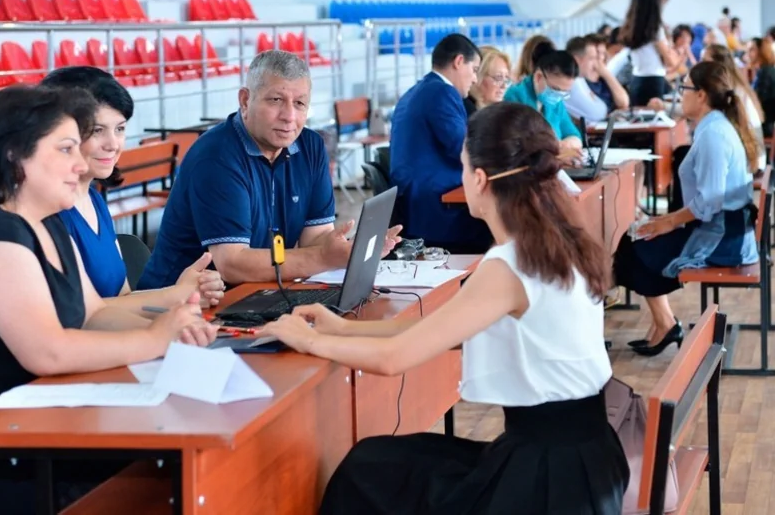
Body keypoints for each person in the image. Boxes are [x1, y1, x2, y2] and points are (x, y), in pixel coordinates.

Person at [264, 102, 629, 514]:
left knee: (367, 472)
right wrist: (341, 328)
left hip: (548, 484)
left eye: (462, 167)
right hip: (583, 460)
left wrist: (310, 341)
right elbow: (437, 327)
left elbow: (394, 358)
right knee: (377, 462)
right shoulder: (559, 241)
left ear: (479, 179)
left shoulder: (510, 264)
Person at [0, 85, 217, 513]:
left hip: (39, 420)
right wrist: (155, 338)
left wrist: (179, 329)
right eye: (66, 149)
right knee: (162, 472)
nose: (80, 163)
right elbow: (48, 352)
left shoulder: (48, 221)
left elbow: (93, 313)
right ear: (14, 155)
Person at [138, 50, 401, 288]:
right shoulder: (216, 157)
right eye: (276, 100)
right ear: (245, 101)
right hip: (175, 303)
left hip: (257, 292)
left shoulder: (310, 146)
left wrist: (350, 250)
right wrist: (323, 257)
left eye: (300, 103)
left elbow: (315, 238)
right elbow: (233, 264)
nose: (289, 116)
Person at [39, 66, 225, 309]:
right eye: (97, 130)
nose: (113, 144)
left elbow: (123, 297)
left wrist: (185, 295)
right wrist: (175, 296)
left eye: (120, 129)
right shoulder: (48, 214)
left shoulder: (94, 200)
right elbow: (83, 315)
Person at [613, 61, 759, 356]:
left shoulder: (714, 134)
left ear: (701, 95)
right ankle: (664, 324)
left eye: (685, 88)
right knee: (636, 238)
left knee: (634, 245)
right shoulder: (713, 126)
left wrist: (667, 222)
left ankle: (665, 324)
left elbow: (709, 202)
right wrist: (666, 219)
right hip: (723, 229)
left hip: (722, 239)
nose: (681, 94)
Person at [390, 33, 492, 254]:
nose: (475, 79)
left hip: (415, 205)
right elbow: (466, 149)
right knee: (501, 225)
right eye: (474, 69)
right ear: (459, 61)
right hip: (435, 208)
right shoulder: (442, 92)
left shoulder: (418, 90)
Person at [503, 44, 584, 162]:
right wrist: (558, 149)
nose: (558, 96)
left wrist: (568, 144)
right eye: (555, 89)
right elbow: (520, 146)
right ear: (539, 77)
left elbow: (574, 134)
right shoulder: (515, 97)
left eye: (564, 92)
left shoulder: (556, 102)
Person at [618, 0, 684, 105]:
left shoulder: (631, 26)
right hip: (653, 81)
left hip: (636, 80)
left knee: (638, 116)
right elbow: (670, 61)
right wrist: (677, 53)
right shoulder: (654, 29)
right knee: (654, 116)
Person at [565, 35, 629, 122]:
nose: (600, 58)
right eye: (593, 57)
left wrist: (606, 73)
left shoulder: (602, 78)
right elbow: (597, 114)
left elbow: (624, 103)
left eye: (603, 53)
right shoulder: (574, 81)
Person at [464, 45, 512, 116]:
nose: (504, 86)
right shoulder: (466, 110)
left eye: (506, 78)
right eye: (498, 77)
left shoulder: (503, 110)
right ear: (478, 76)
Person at [746, 37, 775, 137]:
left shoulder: (765, 73)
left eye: (751, 49)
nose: (747, 53)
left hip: (765, 124)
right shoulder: (764, 70)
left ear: (761, 52)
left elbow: (758, 100)